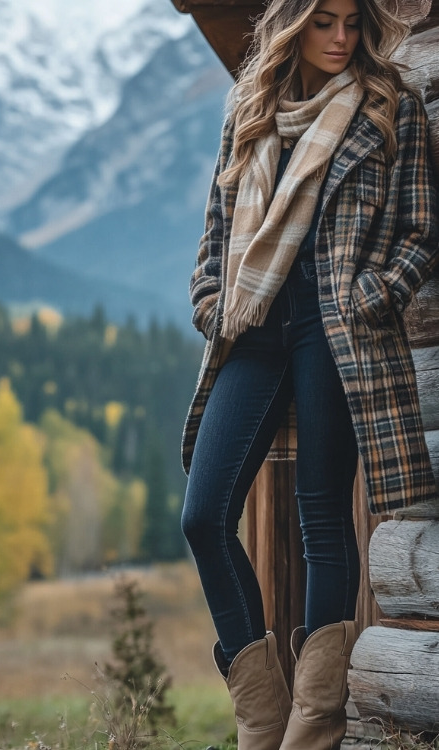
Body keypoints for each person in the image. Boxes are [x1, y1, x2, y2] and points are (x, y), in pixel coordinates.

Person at [180, 0, 439, 748]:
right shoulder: (252, 109)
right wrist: (209, 300)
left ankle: (310, 729)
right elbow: (217, 230)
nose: (340, 38)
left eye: (351, 23)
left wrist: (377, 292)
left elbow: (423, 231)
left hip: (340, 333)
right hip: (254, 330)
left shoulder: (392, 105)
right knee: (203, 517)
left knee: (323, 518)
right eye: (323, 22)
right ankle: (260, 720)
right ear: (294, 24)